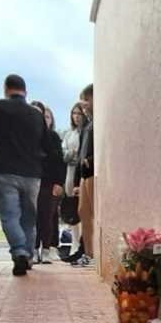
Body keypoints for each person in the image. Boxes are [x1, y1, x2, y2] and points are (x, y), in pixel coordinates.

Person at [0, 74, 46, 276]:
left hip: (6, 171)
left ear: (5, 88)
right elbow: (44, 144)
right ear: (24, 92)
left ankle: (19, 250)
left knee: (10, 215)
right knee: (29, 218)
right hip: (32, 173)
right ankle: (27, 255)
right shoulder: (36, 115)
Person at [29, 102, 65, 263]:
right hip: (30, 180)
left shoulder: (52, 137)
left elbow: (59, 161)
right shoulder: (25, 137)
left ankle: (46, 249)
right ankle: (34, 249)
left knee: (47, 216)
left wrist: (59, 182)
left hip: (49, 182)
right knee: (32, 217)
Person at [70, 84, 95, 267]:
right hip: (84, 174)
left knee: (94, 212)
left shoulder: (98, 122)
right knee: (83, 212)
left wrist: (91, 160)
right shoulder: (88, 123)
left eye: (87, 99)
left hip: (93, 171)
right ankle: (89, 254)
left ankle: (94, 254)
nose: (83, 103)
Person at [60, 102, 86, 258]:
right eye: (74, 113)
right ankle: (74, 244)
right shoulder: (69, 134)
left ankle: (83, 244)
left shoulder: (87, 132)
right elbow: (63, 154)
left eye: (79, 113)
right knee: (73, 210)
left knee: (84, 209)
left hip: (82, 172)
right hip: (70, 172)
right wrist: (72, 153)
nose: (76, 116)